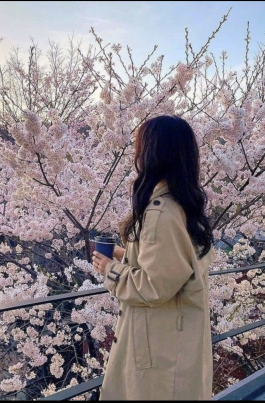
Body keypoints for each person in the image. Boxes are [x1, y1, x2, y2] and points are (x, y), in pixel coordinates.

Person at [92, 115, 215, 400]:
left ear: (152, 153)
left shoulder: (161, 212)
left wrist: (110, 269)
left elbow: (154, 286)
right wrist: (127, 255)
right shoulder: (183, 205)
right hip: (175, 340)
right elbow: (174, 262)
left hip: (161, 349)